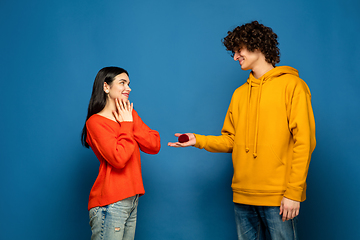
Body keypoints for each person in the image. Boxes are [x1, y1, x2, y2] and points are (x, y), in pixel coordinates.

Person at [168, 21, 316, 239]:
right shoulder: (239, 94)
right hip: (243, 196)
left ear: (257, 46)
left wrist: (294, 192)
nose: (235, 56)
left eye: (239, 50)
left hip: (278, 197)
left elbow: (305, 142)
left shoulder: (293, 87)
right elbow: (231, 141)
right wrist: (198, 140)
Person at [81, 66, 161, 240]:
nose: (128, 88)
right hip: (110, 203)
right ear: (106, 87)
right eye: (122, 83)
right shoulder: (95, 123)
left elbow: (154, 144)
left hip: (131, 200)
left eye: (129, 84)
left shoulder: (128, 115)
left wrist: (129, 122)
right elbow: (119, 159)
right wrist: (127, 125)